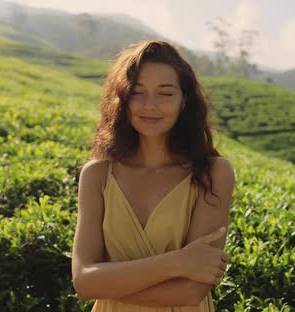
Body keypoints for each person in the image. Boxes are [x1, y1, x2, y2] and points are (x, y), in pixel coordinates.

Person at [71, 39, 235, 311]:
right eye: (137, 92)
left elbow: (190, 291)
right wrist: (178, 262)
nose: (150, 105)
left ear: (185, 101)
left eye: (166, 93)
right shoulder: (97, 175)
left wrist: (109, 282)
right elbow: (84, 282)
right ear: (121, 99)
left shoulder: (214, 173)